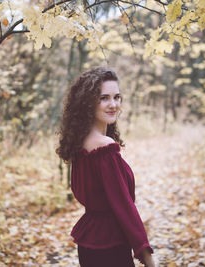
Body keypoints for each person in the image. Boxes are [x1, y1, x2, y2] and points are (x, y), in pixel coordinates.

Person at [56, 67, 155, 267]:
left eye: (117, 97)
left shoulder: (80, 143)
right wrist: (146, 255)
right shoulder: (104, 148)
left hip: (89, 244)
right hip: (111, 248)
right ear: (88, 102)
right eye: (104, 98)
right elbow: (124, 207)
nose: (113, 104)